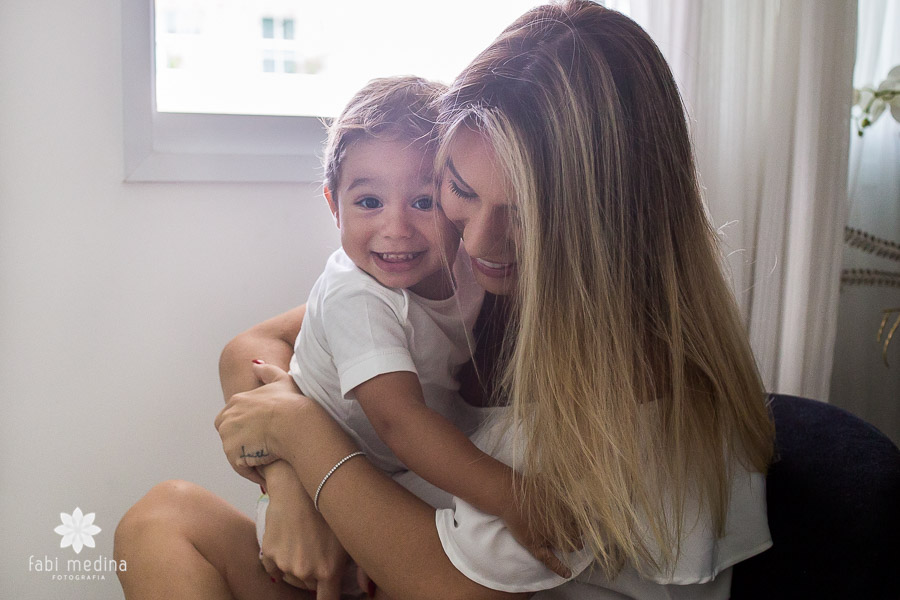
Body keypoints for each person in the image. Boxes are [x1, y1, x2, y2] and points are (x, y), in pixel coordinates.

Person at [115, 2, 776, 599]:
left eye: (524, 215)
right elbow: (253, 350)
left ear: (609, 223)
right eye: (460, 190)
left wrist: (298, 435)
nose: (480, 242)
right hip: (387, 562)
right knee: (162, 519)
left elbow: (453, 590)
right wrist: (292, 491)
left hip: (441, 583)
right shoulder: (480, 274)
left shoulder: (635, 377)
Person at [253, 75, 563, 596]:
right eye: (369, 202)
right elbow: (399, 421)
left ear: (451, 197)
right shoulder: (356, 296)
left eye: (422, 202)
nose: (396, 228)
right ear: (334, 205)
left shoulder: (470, 259)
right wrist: (507, 495)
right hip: (327, 481)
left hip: (399, 466)